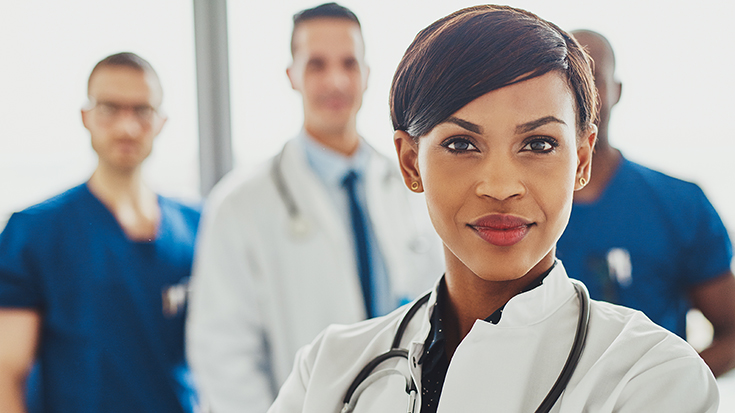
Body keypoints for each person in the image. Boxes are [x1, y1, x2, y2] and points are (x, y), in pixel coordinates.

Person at [268, 5, 719, 412]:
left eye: (539, 144)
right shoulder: (327, 372)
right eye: (461, 143)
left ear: (580, 160)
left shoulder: (655, 378)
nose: (501, 187)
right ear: (410, 163)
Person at [186, 3, 443, 412]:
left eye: (348, 63)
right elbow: (223, 358)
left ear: (368, 74)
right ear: (292, 76)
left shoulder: (412, 185)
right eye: (317, 65)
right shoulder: (240, 205)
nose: (336, 80)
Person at [0, 52, 200, 413]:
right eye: (110, 109)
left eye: (142, 111)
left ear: (161, 121)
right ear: (86, 116)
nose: (127, 127)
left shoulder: (198, 227)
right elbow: (6, 373)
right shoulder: (33, 232)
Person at [556, 29, 735, 377]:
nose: (579, 96)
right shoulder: (516, 208)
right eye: (565, 82)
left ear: (617, 90)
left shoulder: (681, 203)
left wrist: (667, 388)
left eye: (592, 81)